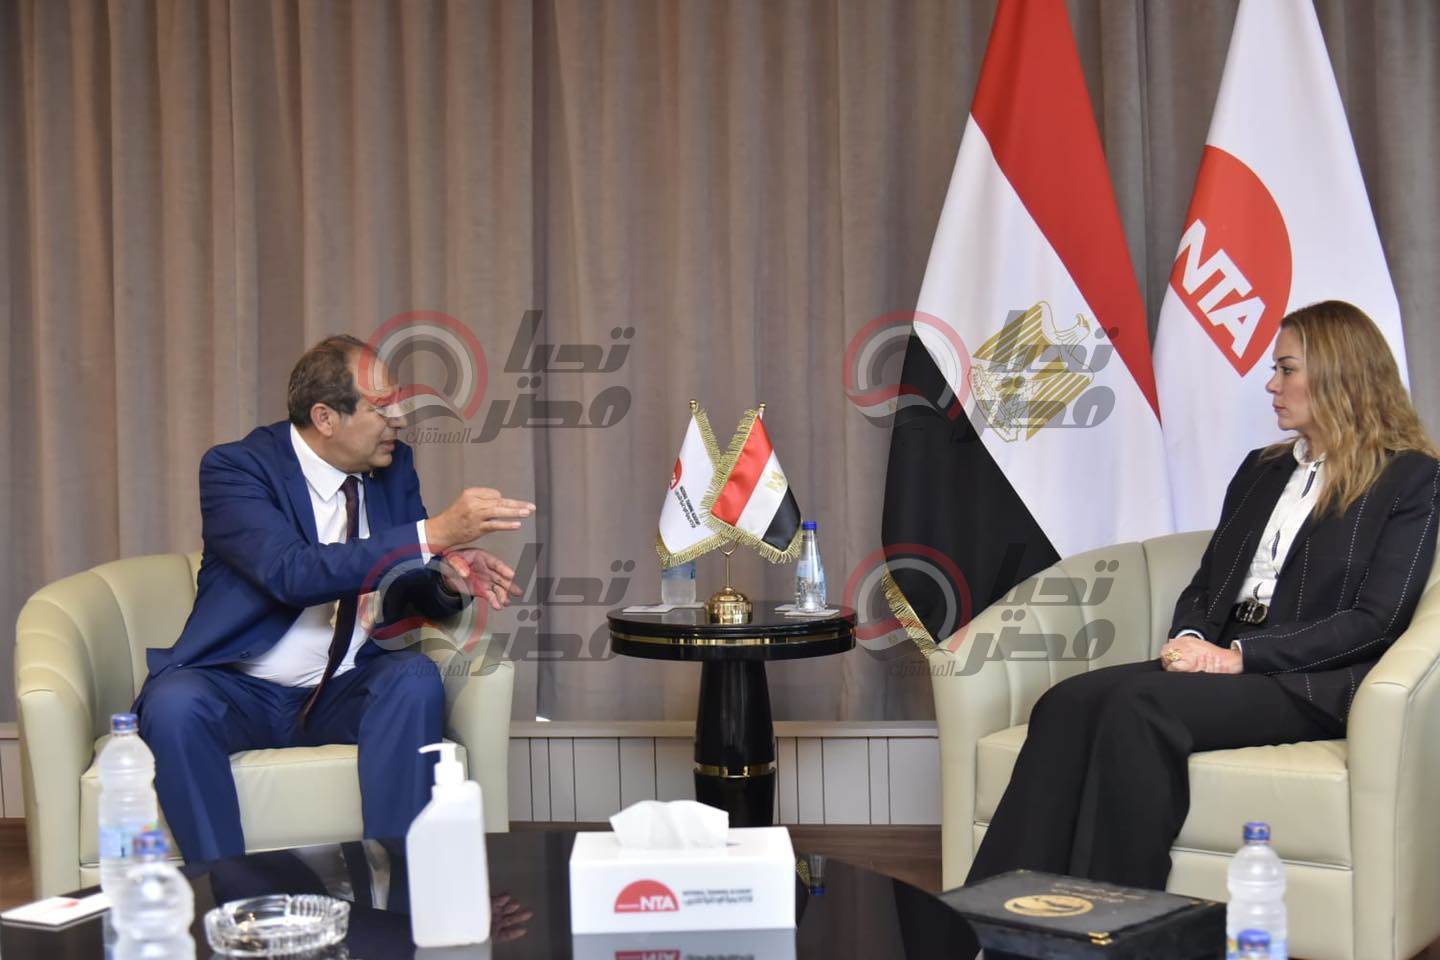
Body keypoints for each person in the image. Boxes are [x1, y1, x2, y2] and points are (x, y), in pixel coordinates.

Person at [966, 300, 1440, 891]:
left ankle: (1117, 915)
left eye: (1287, 369)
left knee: (1138, 709)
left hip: (1308, 680)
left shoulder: (1410, 477)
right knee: (1066, 701)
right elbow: (1209, 580)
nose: (1271, 385)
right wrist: (1190, 637)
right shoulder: (1261, 470)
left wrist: (1239, 657)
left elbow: (1378, 620)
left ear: (1339, 372)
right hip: (1221, 657)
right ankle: (999, 910)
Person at [133, 334, 536, 863]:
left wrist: (444, 580)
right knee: (174, 704)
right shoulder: (237, 468)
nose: (399, 420)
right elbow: (291, 573)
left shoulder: (393, 467)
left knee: (414, 678)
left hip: (340, 690)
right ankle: (226, 890)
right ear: (325, 417)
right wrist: (432, 533)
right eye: (382, 407)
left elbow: (405, 587)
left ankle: (406, 887)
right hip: (239, 690)